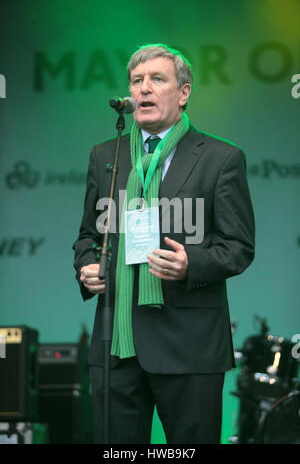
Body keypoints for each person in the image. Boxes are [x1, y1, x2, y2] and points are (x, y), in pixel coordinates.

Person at [72, 43, 255, 444]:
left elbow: (238, 246)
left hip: (187, 342)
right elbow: (88, 236)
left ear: (184, 92)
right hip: (116, 345)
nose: (144, 89)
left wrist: (192, 263)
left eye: (157, 79)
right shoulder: (107, 155)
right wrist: (87, 267)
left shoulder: (221, 158)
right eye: (137, 81)